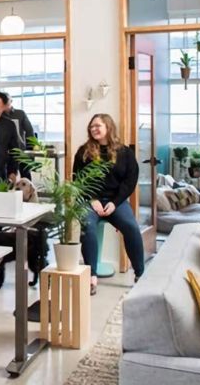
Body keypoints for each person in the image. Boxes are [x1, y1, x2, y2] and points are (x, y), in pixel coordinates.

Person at [74, 113, 143, 296]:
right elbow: (78, 180)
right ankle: (91, 277)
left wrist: (115, 202)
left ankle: (140, 274)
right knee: (87, 227)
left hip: (116, 201)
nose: (94, 129)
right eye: (92, 126)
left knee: (130, 227)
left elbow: (130, 181)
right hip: (90, 201)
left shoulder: (125, 152)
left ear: (108, 128)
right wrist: (92, 199)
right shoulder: (84, 152)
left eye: (98, 126)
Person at [3, 95, 35, 179]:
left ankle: (29, 191)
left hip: (21, 150)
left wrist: (31, 147)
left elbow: (29, 131)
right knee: (8, 174)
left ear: (11, 101)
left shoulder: (20, 114)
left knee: (25, 173)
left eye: (7, 101)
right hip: (5, 151)